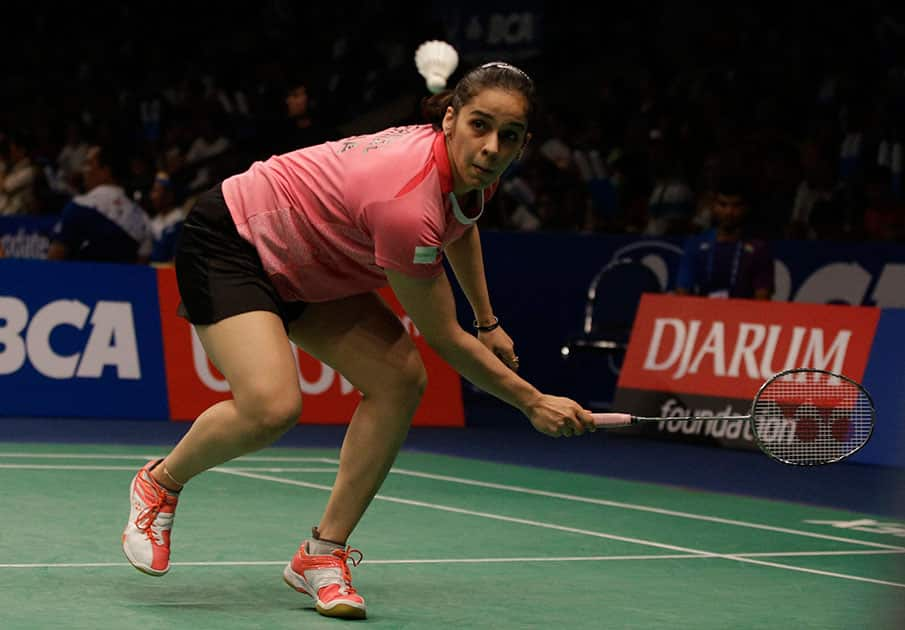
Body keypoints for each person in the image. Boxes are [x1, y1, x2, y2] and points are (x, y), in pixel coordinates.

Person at [121, 61, 596, 620]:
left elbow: (460, 226)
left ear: (523, 143)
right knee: (271, 407)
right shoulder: (406, 203)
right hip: (238, 241)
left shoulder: (469, 172)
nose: (492, 147)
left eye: (508, 136)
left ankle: (321, 555)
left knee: (399, 381)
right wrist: (532, 401)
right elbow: (442, 336)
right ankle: (159, 484)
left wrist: (487, 320)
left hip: (312, 258)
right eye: (480, 126)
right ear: (450, 119)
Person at [47, 144, 153, 263]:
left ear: (105, 171)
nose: (83, 170)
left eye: (88, 164)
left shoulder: (80, 205)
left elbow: (54, 260)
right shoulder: (144, 219)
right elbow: (141, 270)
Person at [675, 174, 774, 300]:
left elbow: (762, 298)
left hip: (742, 316)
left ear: (746, 208)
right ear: (713, 206)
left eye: (736, 205)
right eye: (723, 204)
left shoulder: (759, 249)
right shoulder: (695, 245)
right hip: (703, 316)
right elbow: (682, 292)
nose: (729, 212)